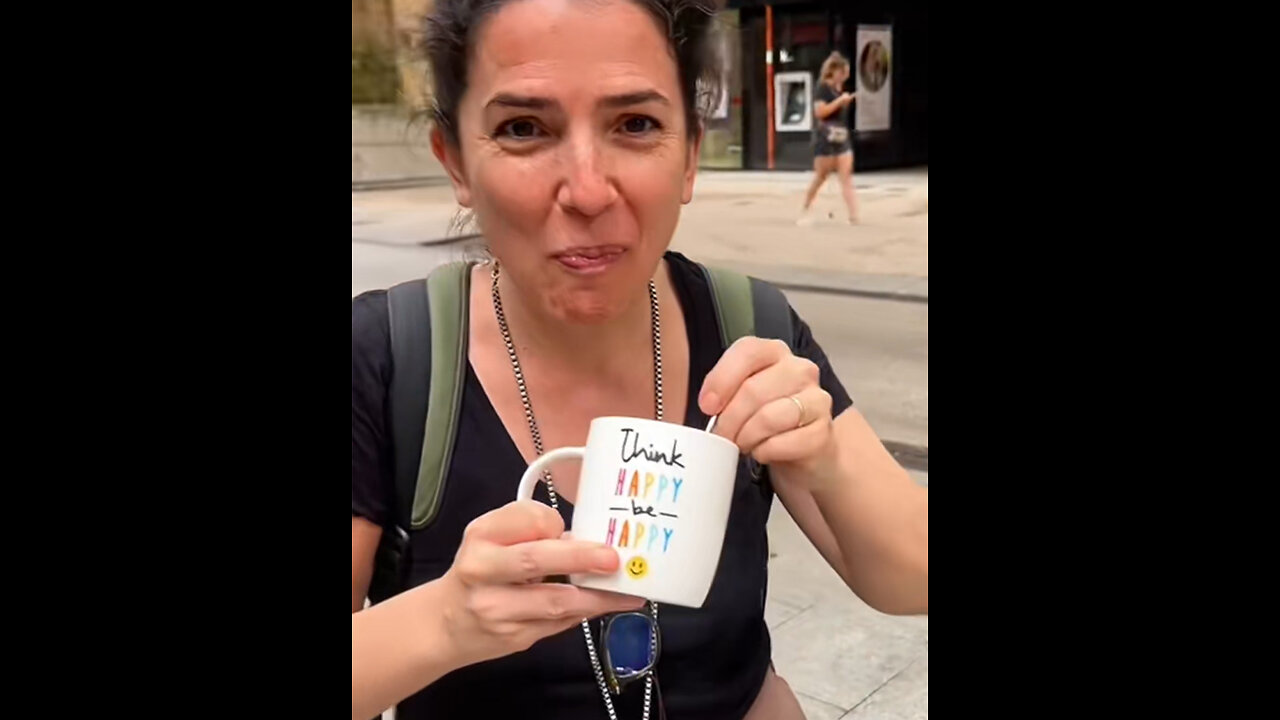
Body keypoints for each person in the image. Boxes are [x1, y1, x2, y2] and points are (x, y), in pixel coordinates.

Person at [351, 2, 928, 718]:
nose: (589, 190)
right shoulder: (386, 358)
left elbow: (913, 581)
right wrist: (444, 622)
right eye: (524, 129)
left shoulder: (749, 327)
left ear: (689, 156)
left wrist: (828, 464)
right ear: (457, 164)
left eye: (636, 124)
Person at [798, 52, 859, 226]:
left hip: (841, 136)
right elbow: (820, 112)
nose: (845, 76)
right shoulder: (822, 89)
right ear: (834, 71)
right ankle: (806, 207)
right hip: (825, 137)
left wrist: (843, 100)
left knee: (845, 176)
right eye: (843, 72)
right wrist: (840, 102)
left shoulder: (839, 90)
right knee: (821, 176)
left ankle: (853, 215)